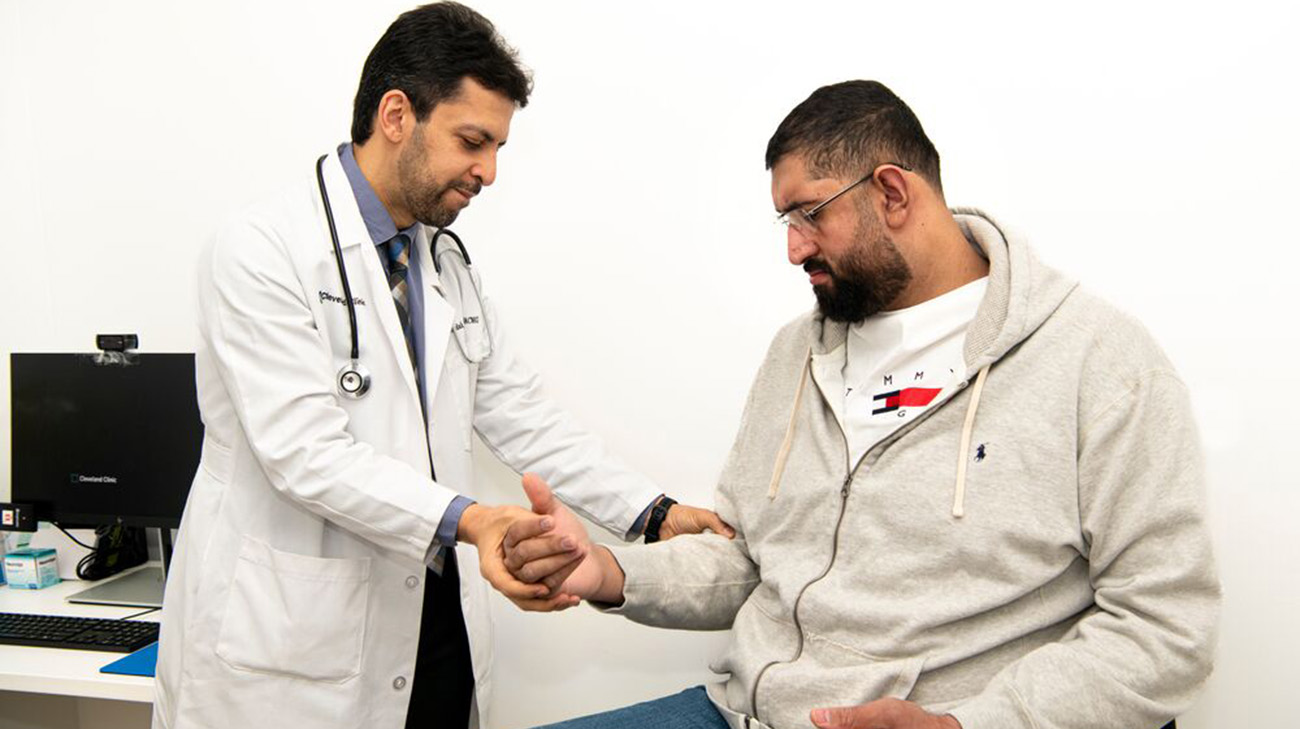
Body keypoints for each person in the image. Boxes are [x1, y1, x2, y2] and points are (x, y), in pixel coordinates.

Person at [504, 80, 1220, 729]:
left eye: (808, 213)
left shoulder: (1099, 361)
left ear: (892, 193)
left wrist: (966, 725)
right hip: (739, 712)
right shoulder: (798, 353)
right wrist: (608, 570)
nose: (792, 248)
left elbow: (1165, 626)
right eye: (783, 219)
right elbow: (750, 558)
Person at [152, 4, 731, 729]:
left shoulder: (446, 265)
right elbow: (303, 454)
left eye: (497, 147)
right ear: (397, 114)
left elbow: (521, 414)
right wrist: (476, 518)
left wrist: (653, 513)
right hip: (288, 638)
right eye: (472, 141)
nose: (487, 170)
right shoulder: (262, 249)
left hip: (426, 618)